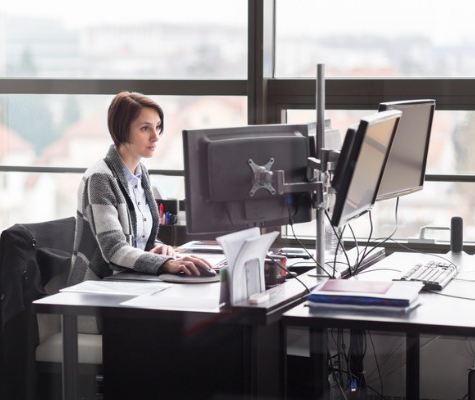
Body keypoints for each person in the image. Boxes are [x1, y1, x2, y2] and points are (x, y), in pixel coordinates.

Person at [68, 91, 213, 332]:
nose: (156, 136)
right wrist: (165, 263)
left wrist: (157, 248)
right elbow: (114, 249)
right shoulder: (100, 178)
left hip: (131, 285)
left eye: (158, 127)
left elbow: (138, 239)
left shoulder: (140, 172)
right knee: (176, 329)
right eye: (145, 128)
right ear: (122, 130)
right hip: (97, 297)